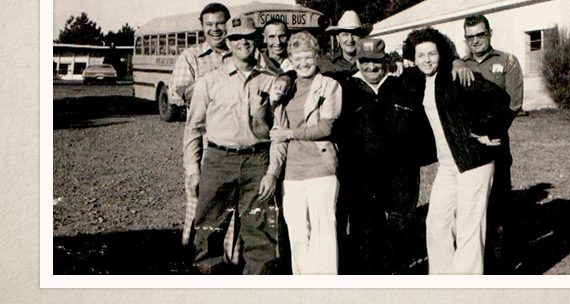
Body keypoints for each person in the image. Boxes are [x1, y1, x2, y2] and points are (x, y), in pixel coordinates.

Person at [402, 27, 512, 275]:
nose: (427, 60)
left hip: (474, 162)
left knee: (468, 229)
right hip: (448, 166)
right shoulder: (419, 80)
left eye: (432, 54)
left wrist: (482, 130)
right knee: (436, 223)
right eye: (421, 55)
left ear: (441, 54)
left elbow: (499, 99)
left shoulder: (454, 75)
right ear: (413, 57)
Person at [183, 16, 283, 274]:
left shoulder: (271, 80)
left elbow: (279, 130)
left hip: (257, 162)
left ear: (256, 41)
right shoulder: (209, 81)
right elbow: (193, 129)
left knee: (260, 233)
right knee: (208, 231)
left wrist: (272, 172)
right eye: (237, 38)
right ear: (228, 42)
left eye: (249, 37)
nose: (243, 43)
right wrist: (193, 171)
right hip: (218, 162)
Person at [338, 38, 433, 274]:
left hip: (400, 179)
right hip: (362, 181)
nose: (371, 67)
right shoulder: (346, 91)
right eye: (365, 61)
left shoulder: (404, 86)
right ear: (357, 62)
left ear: (386, 62)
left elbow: (422, 129)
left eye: (376, 62)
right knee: (366, 238)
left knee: (398, 235)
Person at [270, 31, 342, 274]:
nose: (304, 63)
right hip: (291, 171)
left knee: (324, 233)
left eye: (308, 57)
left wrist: (289, 134)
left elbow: (325, 127)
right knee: (298, 234)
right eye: (298, 57)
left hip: (320, 167)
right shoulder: (285, 88)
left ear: (318, 56)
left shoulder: (329, 85)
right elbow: (276, 131)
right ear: (290, 58)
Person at [461, 14, 523, 274]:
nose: (476, 41)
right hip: (466, 147)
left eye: (480, 35)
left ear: (490, 33)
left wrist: (490, 134)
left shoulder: (506, 61)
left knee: (498, 208)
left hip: (496, 143)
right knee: (470, 209)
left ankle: (498, 268)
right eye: (470, 37)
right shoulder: (458, 65)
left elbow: (513, 104)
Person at [169, 2, 231, 247]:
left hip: (231, 142)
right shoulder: (191, 56)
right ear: (202, 27)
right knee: (198, 199)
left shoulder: (239, 53)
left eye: (220, 24)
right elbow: (182, 94)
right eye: (209, 25)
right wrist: (214, 80)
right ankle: (190, 251)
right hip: (202, 142)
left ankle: (227, 259)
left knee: (229, 203)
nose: (215, 29)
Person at [318, 10, 373, 80]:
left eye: (354, 34)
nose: (350, 40)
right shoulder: (325, 64)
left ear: (361, 37)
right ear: (338, 38)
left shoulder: (371, 63)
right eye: (345, 34)